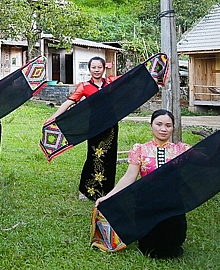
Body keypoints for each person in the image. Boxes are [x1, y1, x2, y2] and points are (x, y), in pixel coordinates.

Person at [95, 109, 191, 258]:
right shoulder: (140, 149)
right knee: (149, 248)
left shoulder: (182, 150)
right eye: (159, 124)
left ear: (173, 127)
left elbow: (208, 157)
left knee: (173, 246)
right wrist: (108, 196)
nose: (163, 129)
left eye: (168, 125)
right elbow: (129, 177)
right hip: (147, 201)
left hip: (173, 202)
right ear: (151, 125)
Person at [50, 56, 118, 200]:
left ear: (104, 68)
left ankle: (107, 190)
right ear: (89, 69)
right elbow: (69, 102)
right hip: (94, 126)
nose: (97, 70)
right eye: (93, 67)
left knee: (110, 157)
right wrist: (54, 117)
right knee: (93, 156)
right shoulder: (84, 86)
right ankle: (86, 190)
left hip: (111, 126)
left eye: (99, 67)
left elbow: (131, 79)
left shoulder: (111, 82)